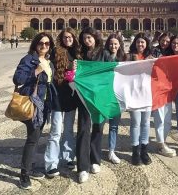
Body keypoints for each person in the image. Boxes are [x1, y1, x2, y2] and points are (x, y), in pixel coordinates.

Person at [13, 32, 55, 190]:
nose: (44, 46)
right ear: (35, 44)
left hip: (44, 106)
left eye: (47, 44)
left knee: (36, 137)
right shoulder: (28, 59)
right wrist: (35, 72)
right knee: (32, 138)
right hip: (32, 104)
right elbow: (18, 79)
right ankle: (24, 173)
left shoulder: (48, 62)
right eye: (41, 43)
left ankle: (29, 167)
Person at [44, 28, 80, 178]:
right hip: (58, 96)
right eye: (65, 37)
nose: (68, 39)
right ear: (61, 38)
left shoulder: (78, 54)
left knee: (69, 130)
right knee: (56, 130)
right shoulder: (54, 52)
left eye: (70, 37)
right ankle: (51, 163)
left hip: (71, 96)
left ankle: (68, 157)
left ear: (74, 38)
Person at [77, 27, 112, 182]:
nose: (87, 41)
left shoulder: (104, 53)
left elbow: (113, 72)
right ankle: (83, 167)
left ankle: (95, 160)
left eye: (89, 38)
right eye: (84, 38)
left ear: (95, 37)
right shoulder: (80, 54)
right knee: (84, 129)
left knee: (98, 128)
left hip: (100, 97)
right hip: (84, 96)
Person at [128, 32, 153, 166]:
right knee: (135, 123)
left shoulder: (151, 58)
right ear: (135, 43)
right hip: (134, 94)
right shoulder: (129, 57)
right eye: (138, 42)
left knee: (146, 123)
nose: (140, 44)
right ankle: (135, 151)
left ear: (146, 43)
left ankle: (144, 150)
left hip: (147, 94)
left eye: (142, 42)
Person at [151, 32, 176, 157]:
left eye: (167, 41)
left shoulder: (172, 52)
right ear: (159, 40)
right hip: (157, 88)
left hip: (169, 88)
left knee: (167, 117)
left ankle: (163, 141)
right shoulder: (155, 51)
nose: (165, 43)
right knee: (159, 117)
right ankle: (161, 144)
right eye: (163, 40)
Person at [104, 33, 127, 164]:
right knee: (98, 125)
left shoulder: (124, 58)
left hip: (117, 96)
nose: (113, 46)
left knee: (113, 126)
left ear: (120, 45)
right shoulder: (102, 57)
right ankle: (93, 150)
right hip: (103, 94)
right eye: (111, 44)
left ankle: (111, 151)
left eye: (116, 44)